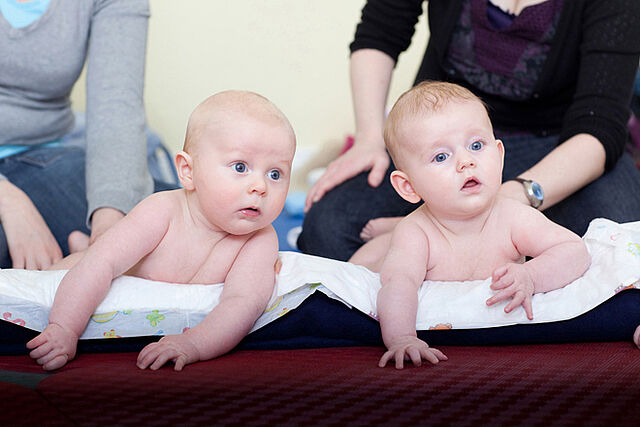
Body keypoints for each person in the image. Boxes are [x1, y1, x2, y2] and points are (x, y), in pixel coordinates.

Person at [298, 0, 640, 261]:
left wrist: (499, 205)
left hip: (562, 150)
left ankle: (448, 254)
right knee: (328, 228)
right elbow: (379, 32)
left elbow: (599, 123)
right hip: (439, 144)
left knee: (618, 242)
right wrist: (369, 138)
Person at [26, 90, 297, 371]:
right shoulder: (162, 211)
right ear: (188, 171)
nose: (260, 187)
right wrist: (64, 328)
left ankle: (85, 242)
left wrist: (194, 343)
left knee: (105, 247)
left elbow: (243, 303)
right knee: (70, 267)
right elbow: (101, 263)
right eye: (240, 167)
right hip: (116, 267)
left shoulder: (260, 239)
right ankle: (83, 247)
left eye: (275, 174)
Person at [349, 81, 592, 368]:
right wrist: (402, 337)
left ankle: (385, 232)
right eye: (441, 156)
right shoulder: (417, 232)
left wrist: (531, 275)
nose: (466, 162)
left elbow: (574, 250)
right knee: (360, 272)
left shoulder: (512, 216)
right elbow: (397, 285)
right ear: (409, 186)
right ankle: (384, 237)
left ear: (499, 154)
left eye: (476, 145)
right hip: (394, 253)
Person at [0, 0, 174, 271]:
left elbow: (116, 105)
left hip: (40, 159)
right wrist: (9, 201)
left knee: (201, 222)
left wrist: (109, 230)